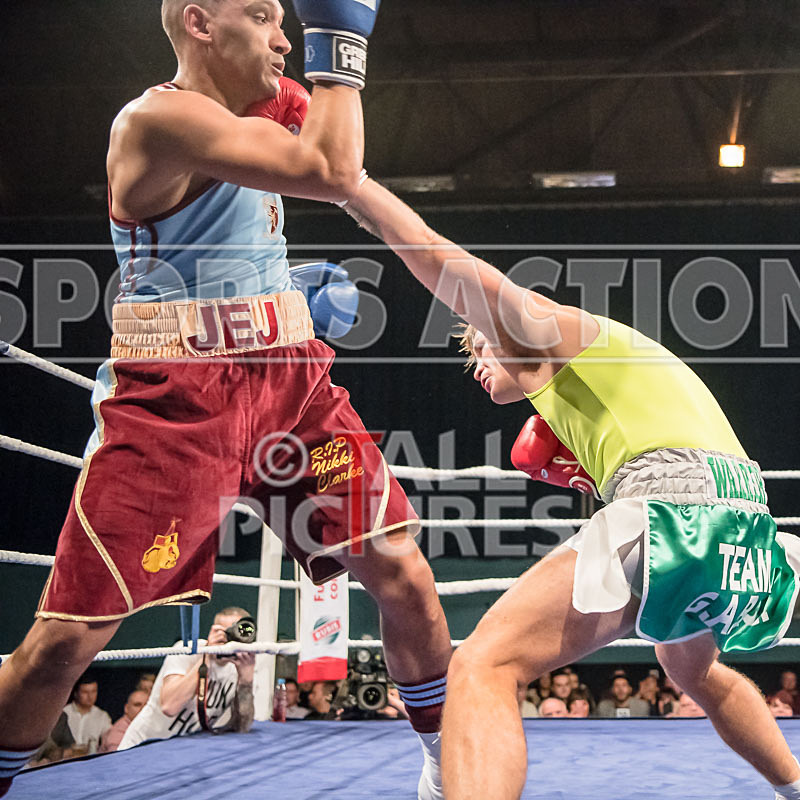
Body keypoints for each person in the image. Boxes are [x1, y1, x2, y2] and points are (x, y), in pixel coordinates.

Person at [0, 4, 452, 799]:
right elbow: (330, 168)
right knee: (66, 642)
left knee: (402, 571)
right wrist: (338, 41)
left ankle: (450, 764)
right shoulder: (156, 118)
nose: (283, 38)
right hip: (175, 399)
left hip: (288, 381)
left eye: (290, 23)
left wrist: (457, 281)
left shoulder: (267, 106)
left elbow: (350, 177)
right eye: (265, 17)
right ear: (202, 23)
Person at [339, 178, 800, 799]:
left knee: (483, 664)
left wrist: (350, 191)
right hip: (742, 514)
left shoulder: (548, 331)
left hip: (678, 495)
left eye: (479, 343)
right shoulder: (603, 383)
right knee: (691, 667)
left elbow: (429, 249)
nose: (476, 359)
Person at [118, 608, 255, 749]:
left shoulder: (238, 668)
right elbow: (169, 707)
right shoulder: (187, 650)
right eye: (226, 633)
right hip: (143, 745)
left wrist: (246, 682)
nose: (230, 641)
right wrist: (206, 656)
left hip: (181, 751)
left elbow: (243, 726)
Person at [61, 674, 112, 755]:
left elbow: (109, 741)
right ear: (76, 693)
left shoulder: (102, 716)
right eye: (85, 692)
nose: (90, 696)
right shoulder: (64, 713)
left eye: (93, 691)